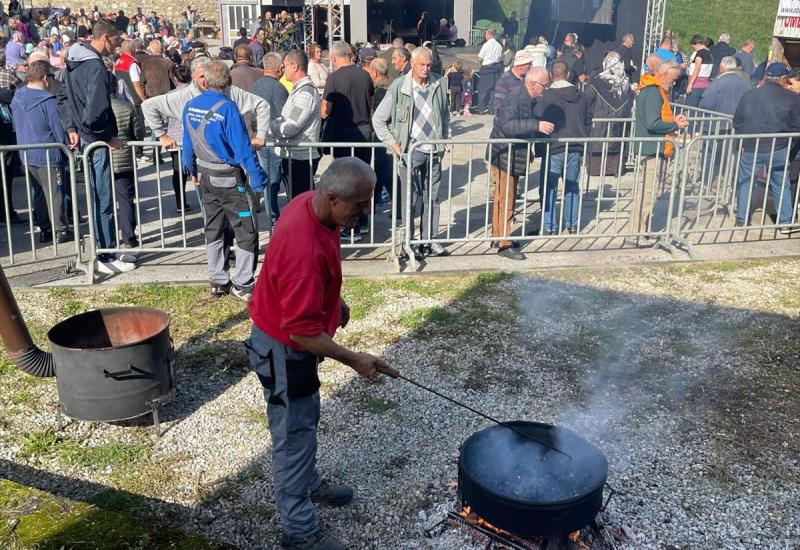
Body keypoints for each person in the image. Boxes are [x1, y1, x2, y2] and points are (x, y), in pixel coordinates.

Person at [245, 157, 390, 550]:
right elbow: (302, 332)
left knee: (305, 420)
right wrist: (355, 358)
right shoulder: (302, 249)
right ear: (332, 196)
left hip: (292, 340)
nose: (364, 212)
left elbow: (312, 288)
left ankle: (308, 482)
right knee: (293, 435)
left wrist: (333, 299)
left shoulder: (313, 204)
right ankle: (299, 533)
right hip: (284, 348)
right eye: (359, 206)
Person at [182, 60, 267, 301]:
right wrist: (258, 178)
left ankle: (217, 279)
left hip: (205, 177)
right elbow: (243, 150)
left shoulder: (190, 106)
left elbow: (187, 144)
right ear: (228, 82)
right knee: (245, 230)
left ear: (205, 81)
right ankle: (243, 282)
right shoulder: (228, 109)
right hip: (229, 178)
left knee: (214, 226)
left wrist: (191, 170)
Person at [65, 20, 135, 275]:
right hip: (95, 138)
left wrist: (71, 127)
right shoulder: (94, 65)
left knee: (97, 197)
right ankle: (106, 254)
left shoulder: (74, 60)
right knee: (103, 199)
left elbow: (67, 98)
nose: (117, 46)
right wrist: (108, 137)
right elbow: (95, 112)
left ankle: (103, 251)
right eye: (116, 41)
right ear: (105, 37)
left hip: (85, 136)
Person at [372, 46, 451, 261]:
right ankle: (410, 241)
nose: (426, 69)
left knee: (432, 197)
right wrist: (391, 143)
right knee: (411, 199)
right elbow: (378, 119)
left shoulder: (439, 83)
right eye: (422, 65)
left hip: (434, 151)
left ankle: (430, 239)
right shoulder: (399, 87)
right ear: (412, 64)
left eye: (429, 65)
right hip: (410, 151)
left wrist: (446, 137)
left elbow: (445, 115)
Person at [487, 68, 554, 260]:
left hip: (510, 154)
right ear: (532, 84)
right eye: (544, 85)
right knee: (505, 200)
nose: (545, 89)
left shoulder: (525, 97)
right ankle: (504, 242)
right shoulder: (515, 97)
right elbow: (508, 126)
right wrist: (536, 126)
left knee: (504, 199)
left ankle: (499, 235)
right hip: (504, 155)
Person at [733, 63, 800, 234]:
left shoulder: (749, 95)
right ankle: (784, 222)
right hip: (779, 146)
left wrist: (742, 141)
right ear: (783, 78)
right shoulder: (792, 98)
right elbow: (796, 125)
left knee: (746, 181)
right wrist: (789, 144)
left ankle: (742, 218)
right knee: (781, 184)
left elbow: (737, 121)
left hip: (751, 145)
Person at [10, 60, 72, 244]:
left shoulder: (17, 97)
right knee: (55, 193)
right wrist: (66, 146)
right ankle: (60, 229)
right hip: (49, 153)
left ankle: (44, 228)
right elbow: (57, 129)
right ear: (45, 78)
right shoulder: (48, 101)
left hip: (26, 153)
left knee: (39, 193)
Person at [533, 60, 593, 235]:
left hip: (552, 146)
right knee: (572, 187)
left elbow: (538, 119)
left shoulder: (546, 96)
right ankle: (572, 224)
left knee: (548, 188)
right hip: (575, 146)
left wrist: (537, 148)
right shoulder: (581, 96)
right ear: (568, 75)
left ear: (551, 76)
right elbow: (588, 121)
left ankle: (550, 226)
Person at [633, 60, 688, 244]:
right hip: (652, 149)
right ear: (664, 74)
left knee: (648, 193)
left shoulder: (652, 91)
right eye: (672, 80)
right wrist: (675, 124)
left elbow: (656, 119)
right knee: (647, 194)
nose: (673, 84)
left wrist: (673, 119)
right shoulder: (653, 92)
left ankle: (642, 229)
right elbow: (652, 123)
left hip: (653, 148)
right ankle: (638, 233)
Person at [270, 49, 321, 199]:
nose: (282, 69)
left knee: (301, 202)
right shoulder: (299, 90)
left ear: (294, 66)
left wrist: (271, 127)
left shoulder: (305, 94)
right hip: (295, 156)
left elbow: (291, 126)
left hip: (300, 158)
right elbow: (287, 120)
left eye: (284, 65)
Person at [108, 58, 144, 250]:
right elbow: (137, 131)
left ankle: (106, 240)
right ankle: (129, 237)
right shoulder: (126, 107)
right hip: (123, 159)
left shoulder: (95, 110)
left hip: (104, 160)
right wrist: (137, 147)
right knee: (125, 199)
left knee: (104, 200)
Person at [251, 52, 289, 224]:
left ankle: (271, 213)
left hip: (260, 137)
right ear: (279, 68)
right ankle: (274, 217)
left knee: (269, 177)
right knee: (274, 179)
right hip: (274, 139)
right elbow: (284, 116)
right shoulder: (278, 88)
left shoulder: (255, 86)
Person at [584, 51, 635, 177]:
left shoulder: (598, 80)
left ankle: (596, 170)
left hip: (599, 119)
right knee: (616, 140)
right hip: (619, 121)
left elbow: (586, 99)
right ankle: (614, 169)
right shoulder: (626, 83)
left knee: (599, 142)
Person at [476, 29, 503, 114]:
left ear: (488, 35)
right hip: (496, 69)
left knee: (483, 90)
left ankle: (481, 109)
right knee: (493, 91)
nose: (485, 36)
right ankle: (491, 110)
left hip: (487, 69)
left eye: (485, 35)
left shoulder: (486, 45)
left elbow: (480, 58)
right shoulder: (499, 45)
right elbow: (500, 58)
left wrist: (481, 62)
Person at [686, 35, 713, 107]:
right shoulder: (710, 53)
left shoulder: (700, 54)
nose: (694, 49)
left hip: (696, 85)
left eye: (693, 47)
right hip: (705, 85)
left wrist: (690, 84)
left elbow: (697, 69)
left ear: (697, 44)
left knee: (690, 108)